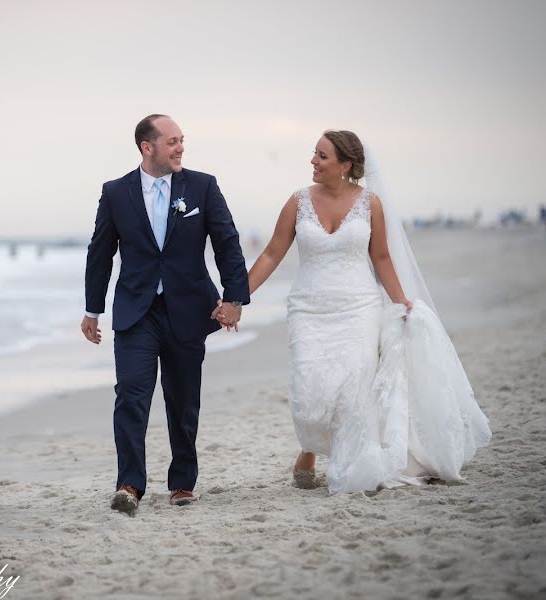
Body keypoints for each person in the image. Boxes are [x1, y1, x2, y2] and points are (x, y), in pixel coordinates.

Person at [216, 130, 491, 493]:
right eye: (314, 154)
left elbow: (381, 257)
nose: (313, 160)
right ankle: (311, 447)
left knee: (351, 389)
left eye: (322, 156)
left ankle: (342, 461)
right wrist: (235, 300)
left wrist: (400, 301)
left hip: (358, 307)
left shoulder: (369, 203)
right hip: (308, 310)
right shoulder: (298, 202)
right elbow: (270, 254)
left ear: (346, 164)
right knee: (310, 393)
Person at [82, 114, 249, 513]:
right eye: (172, 141)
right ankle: (129, 484)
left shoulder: (203, 186)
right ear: (147, 147)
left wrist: (234, 299)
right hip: (137, 312)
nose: (180, 148)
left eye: (182, 141)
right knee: (131, 396)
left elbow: (226, 242)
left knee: (183, 400)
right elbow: (100, 252)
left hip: (189, 310)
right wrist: (92, 310)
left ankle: (182, 484)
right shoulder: (116, 192)